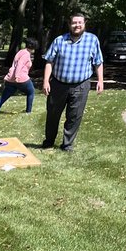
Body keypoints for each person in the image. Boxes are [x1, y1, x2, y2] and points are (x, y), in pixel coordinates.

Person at [42, 12, 104, 150]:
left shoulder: (92, 40)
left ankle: (67, 144)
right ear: (69, 24)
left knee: (74, 116)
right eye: (74, 23)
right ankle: (49, 141)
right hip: (58, 84)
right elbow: (49, 61)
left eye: (80, 23)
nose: (77, 25)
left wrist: (100, 80)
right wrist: (46, 81)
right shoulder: (59, 40)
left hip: (81, 85)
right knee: (52, 114)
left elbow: (98, 62)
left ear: (84, 24)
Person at [0, 39, 36, 115]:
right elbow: (20, 64)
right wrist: (17, 76)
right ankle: (28, 112)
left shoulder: (20, 51)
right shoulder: (26, 54)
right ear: (33, 47)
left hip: (10, 79)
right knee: (31, 92)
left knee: (4, 96)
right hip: (21, 78)